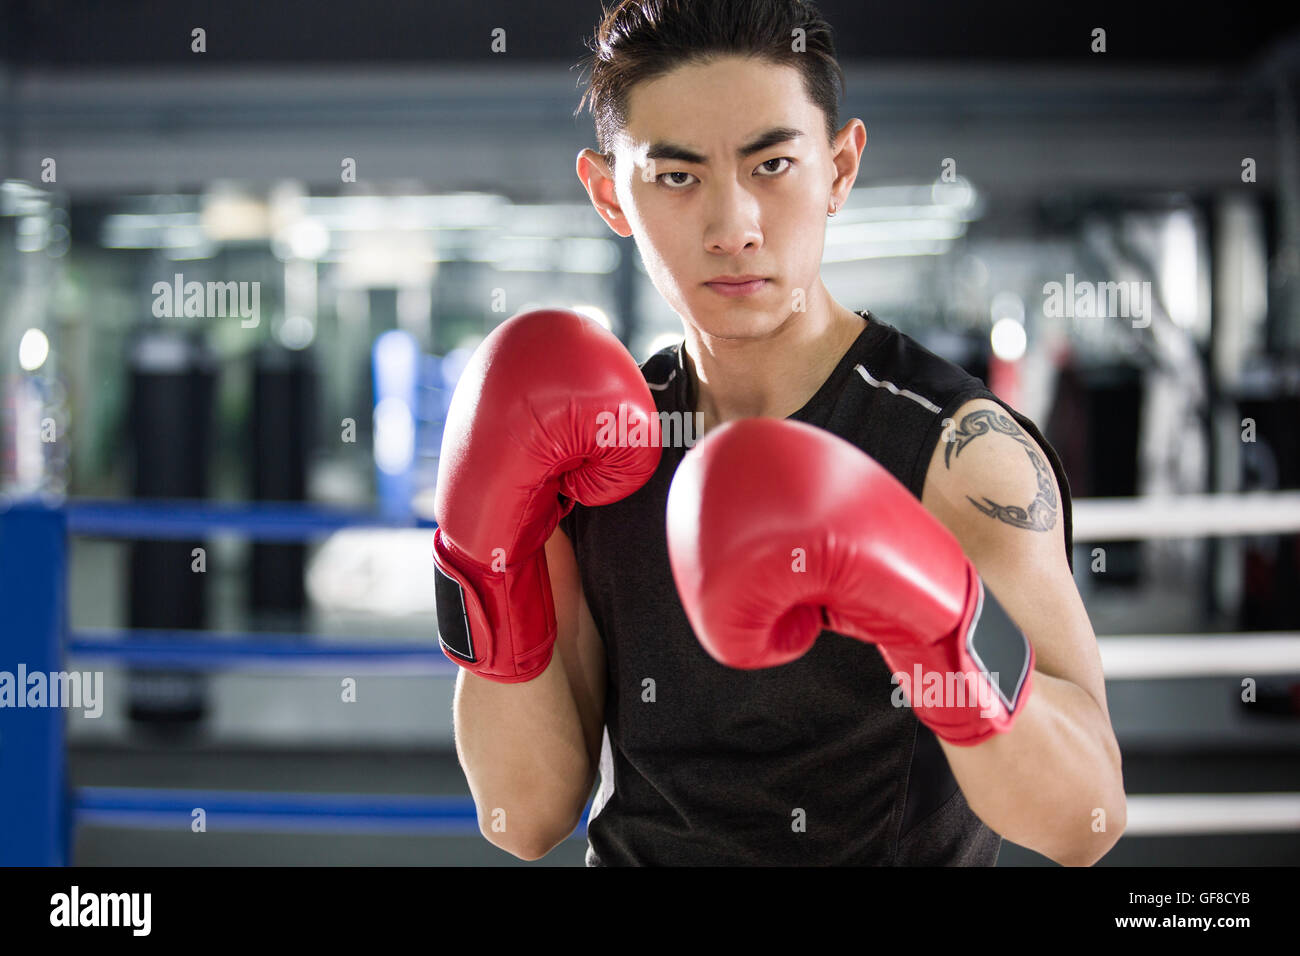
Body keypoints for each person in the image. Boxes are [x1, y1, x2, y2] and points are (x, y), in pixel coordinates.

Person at [439, 0, 1126, 866]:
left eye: (772, 164)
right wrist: (482, 557)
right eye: (678, 176)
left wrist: (934, 639)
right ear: (611, 194)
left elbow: (1087, 821)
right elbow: (523, 817)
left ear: (839, 169)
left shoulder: (958, 452)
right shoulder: (592, 448)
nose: (734, 229)